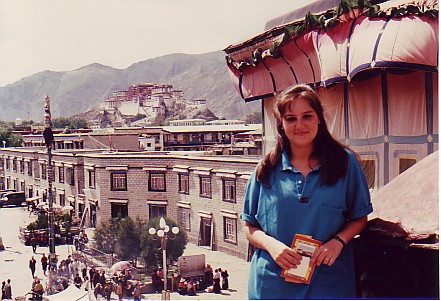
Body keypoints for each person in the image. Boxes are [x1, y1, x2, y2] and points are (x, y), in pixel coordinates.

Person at [242, 84, 373, 299]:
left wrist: (337, 242)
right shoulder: (265, 170)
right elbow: (249, 227)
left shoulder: (344, 163)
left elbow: (360, 218)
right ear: (281, 124)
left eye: (307, 116)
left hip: (329, 284)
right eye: (291, 118)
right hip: (273, 286)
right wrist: (272, 246)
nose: (299, 125)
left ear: (319, 119)